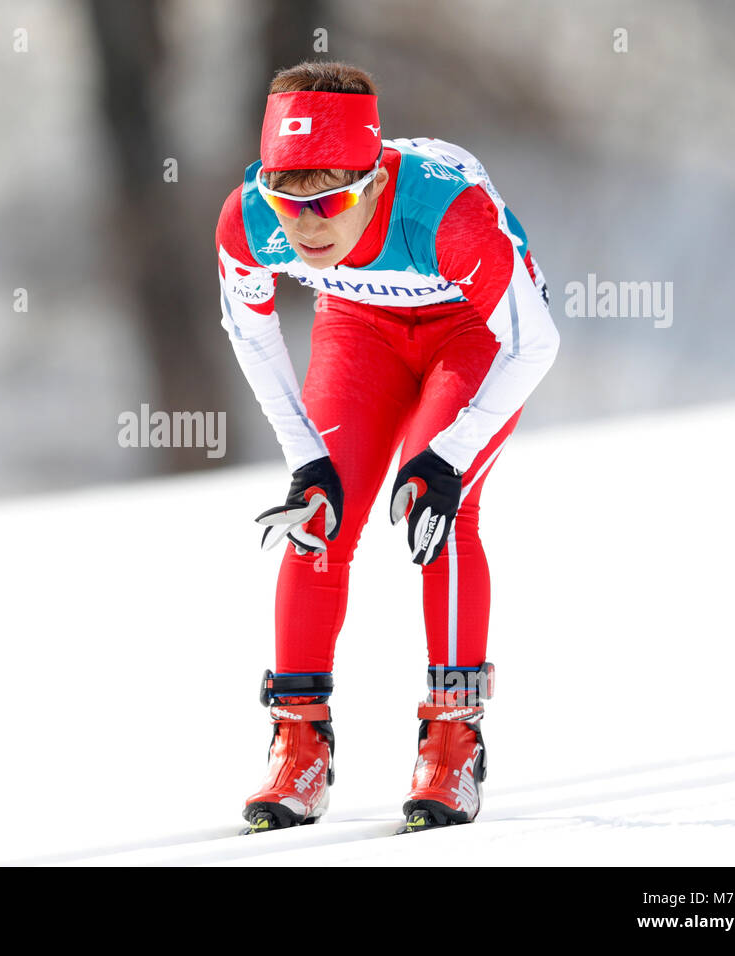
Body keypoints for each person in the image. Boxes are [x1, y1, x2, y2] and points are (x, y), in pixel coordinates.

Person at [216, 61, 559, 834]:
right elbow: (251, 335)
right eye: (285, 201)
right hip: (358, 330)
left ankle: (452, 736)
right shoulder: (248, 220)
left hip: (475, 336)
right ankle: (298, 743)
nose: (304, 226)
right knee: (317, 520)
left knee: (438, 510)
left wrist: (449, 456)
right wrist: (306, 457)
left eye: (327, 202)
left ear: (372, 180)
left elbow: (535, 344)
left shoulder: (447, 214)